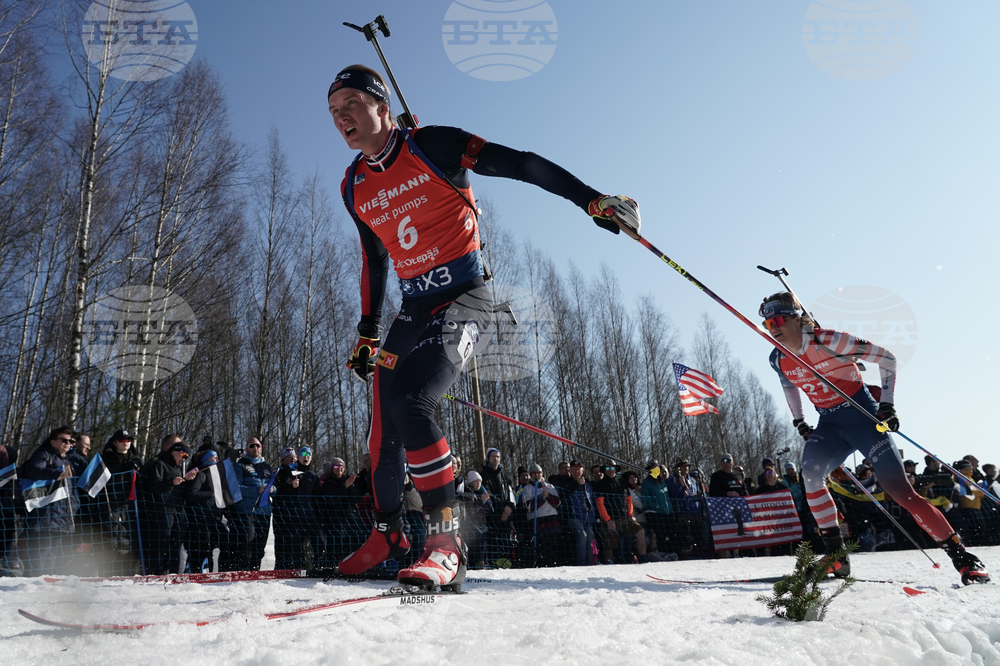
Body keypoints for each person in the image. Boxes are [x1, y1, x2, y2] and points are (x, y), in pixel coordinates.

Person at [328, 64, 640, 591]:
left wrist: (590, 199)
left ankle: (446, 544)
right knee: (382, 427)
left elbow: (520, 163)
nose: (343, 118)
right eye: (335, 112)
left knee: (414, 401)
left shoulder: (433, 144)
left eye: (353, 104)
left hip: (467, 297)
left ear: (383, 106)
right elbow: (372, 260)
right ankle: (387, 535)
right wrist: (366, 332)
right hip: (412, 309)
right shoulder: (354, 183)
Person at [760, 291, 989, 584]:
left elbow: (887, 358)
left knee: (900, 492)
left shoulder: (829, 341)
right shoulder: (778, 358)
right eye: (768, 324)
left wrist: (888, 405)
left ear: (797, 318)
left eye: (779, 319)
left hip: (864, 419)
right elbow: (790, 387)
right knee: (811, 475)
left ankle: (963, 557)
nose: (774, 327)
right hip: (830, 425)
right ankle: (836, 558)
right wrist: (799, 420)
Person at [21, 427, 79, 576]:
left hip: (63, 517)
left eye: (71, 441)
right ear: (53, 441)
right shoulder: (43, 454)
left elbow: (71, 491)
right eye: (64, 440)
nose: (68, 443)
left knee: (53, 557)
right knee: (39, 557)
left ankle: (46, 589)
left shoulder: (69, 462)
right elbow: (33, 470)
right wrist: (54, 473)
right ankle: (31, 588)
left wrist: (75, 505)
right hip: (44, 516)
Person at [138, 440, 197, 574]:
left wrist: (186, 481)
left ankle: (174, 573)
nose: (184, 459)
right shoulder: (160, 464)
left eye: (187, 458)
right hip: (162, 510)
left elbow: (178, 490)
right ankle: (155, 573)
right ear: (175, 451)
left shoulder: (177, 469)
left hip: (177, 510)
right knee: (161, 542)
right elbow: (154, 486)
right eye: (184, 456)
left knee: (176, 544)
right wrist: (171, 482)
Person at [230, 438, 273, 571]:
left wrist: (272, 489)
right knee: (247, 545)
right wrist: (257, 490)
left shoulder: (267, 467)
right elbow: (235, 488)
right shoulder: (240, 465)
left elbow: (275, 487)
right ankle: (244, 574)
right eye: (252, 445)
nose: (255, 448)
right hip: (247, 511)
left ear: (261, 448)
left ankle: (255, 574)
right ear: (247, 448)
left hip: (264, 511)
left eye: (258, 445)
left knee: (260, 548)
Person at [561, 459, 595, 566]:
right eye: (574, 469)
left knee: (589, 538)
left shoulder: (588, 483)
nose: (576, 472)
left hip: (588, 517)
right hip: (573, 516)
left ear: (583, 471)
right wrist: (576, 484)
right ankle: (581, 564)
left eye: (578, 470)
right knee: (582, 536)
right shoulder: (566, 482)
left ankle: (588, 563)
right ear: (570, 470)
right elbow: (565, 492)